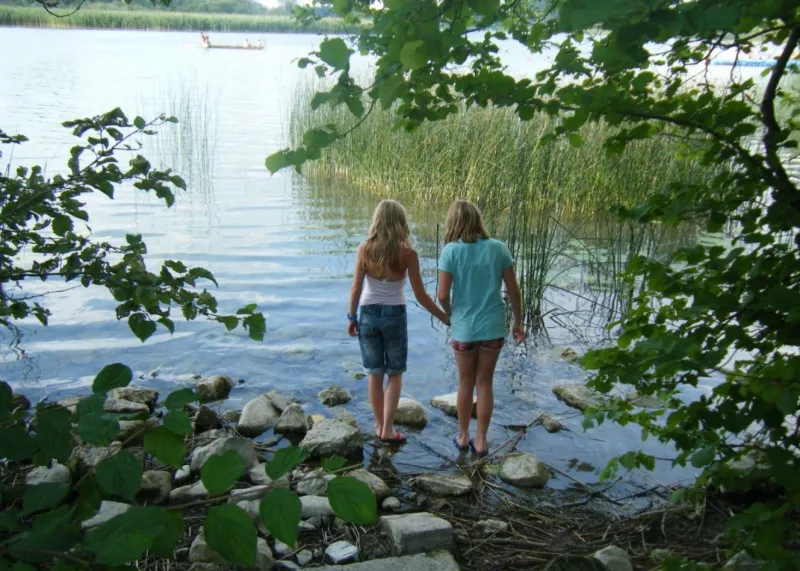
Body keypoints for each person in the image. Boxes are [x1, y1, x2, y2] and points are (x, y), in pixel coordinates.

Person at [348, 200, 450, 443]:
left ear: (377, 221)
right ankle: (388, 429)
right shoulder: (408, 254)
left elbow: (356, 288)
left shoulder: (365, 248)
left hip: (368, 313)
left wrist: (352, 317)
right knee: (394, 374)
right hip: (394, 315)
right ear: (401, 222)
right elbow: (421, 295)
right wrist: (444, 317)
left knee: (374, 374)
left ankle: (379, 425)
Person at [437, 199, 524, 457]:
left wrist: (450, 313)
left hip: (464, 328)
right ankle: (482, 441)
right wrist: (518, 321)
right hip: (493, 327)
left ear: (453, 223)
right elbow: (514, 291)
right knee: (485, 383)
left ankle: (463, 437)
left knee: (465, 382)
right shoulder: (499, 248)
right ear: (478, 220)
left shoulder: (451, 251)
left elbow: (442, 294)